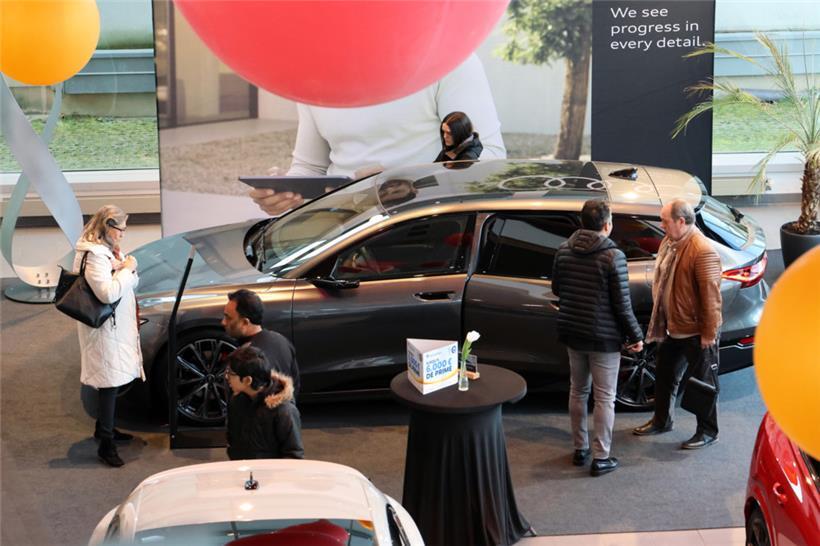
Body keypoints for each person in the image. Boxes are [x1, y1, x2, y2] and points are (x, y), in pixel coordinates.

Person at [251, 54, 506, 216]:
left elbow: (489, 161)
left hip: (427, 230)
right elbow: (309, 166)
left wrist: (397, 184)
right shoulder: (313, 72)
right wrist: (286, 195)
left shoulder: (450, 62)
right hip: (340, 235)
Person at [552, 199, 643, 477]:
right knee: (605, 397)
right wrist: (636, 336)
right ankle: (601, 457)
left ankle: (580, 449)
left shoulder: (563, 250)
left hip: (572, 332)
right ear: (607, 224)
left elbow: (557, 288)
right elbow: (622, 305)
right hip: (602, 338)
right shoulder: (613, 257)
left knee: (577, 391)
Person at [633, 198, 723, 450]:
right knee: (664, 376)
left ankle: (708, 431)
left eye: (665, 221)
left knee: (703, 383)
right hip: (673, 327)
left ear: (681, 222)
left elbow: (711, 297)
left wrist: (709, 333)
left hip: (696, 332)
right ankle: (662, 421)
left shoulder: (702, 250)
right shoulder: (670, 242)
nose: (661, 225)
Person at [73, 205, 143, 467]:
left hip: (113, 326)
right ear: (108, 226)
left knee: (112, 381)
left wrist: (127, 269)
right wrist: (127, 269)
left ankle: (105, 429)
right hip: (104, 329)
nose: (123, 235)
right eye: (120, 229)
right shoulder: (95, 256)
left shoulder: (107, 251)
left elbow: (132, 281)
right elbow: (108, 294)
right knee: (109, 384)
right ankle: (106, 444)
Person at [224, 345, 304, 460]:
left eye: (230, 374)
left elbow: (293, 455)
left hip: (271, 476)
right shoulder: (236, 401)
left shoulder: (283, 410)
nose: (227, 377)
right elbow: (233, 442)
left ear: (247, 380)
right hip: (243, 473)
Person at [221, 289, 300, 395]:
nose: (223, 322)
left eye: (228, 318)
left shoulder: (247, 360)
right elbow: (296, 384)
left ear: (245, 322)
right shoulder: (281, 340)